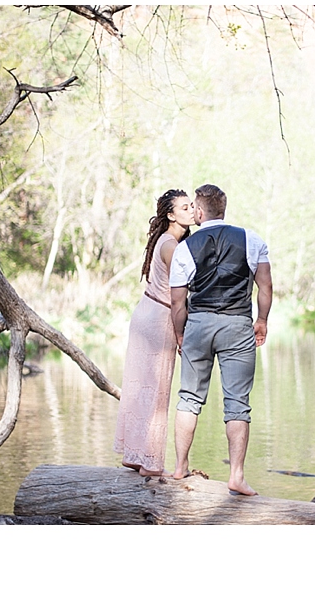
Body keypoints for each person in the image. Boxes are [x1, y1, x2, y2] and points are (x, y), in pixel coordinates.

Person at [169, 183, 273, 495]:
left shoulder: (185, 248)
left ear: (199, 212)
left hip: (198, 324)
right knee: (238, 403)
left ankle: (179, 467)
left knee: (189, 397)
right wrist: (262, 320)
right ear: (223, 209)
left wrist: (179, 332)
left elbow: (177, 302)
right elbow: (265, 288)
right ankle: (237, 476)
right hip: (238, 325)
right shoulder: (252, 239)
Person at [113, 189, 196, 476]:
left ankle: (135, 456)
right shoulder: (171, 246)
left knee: (141, 387)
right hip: (160, 318)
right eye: (185, 207)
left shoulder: (169, 240)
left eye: (192, 206)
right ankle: (149, 462)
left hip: (145, 313)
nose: (191, 210)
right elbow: (181, 293)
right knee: (157, 389)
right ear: (171, 214)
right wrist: (182, 332)